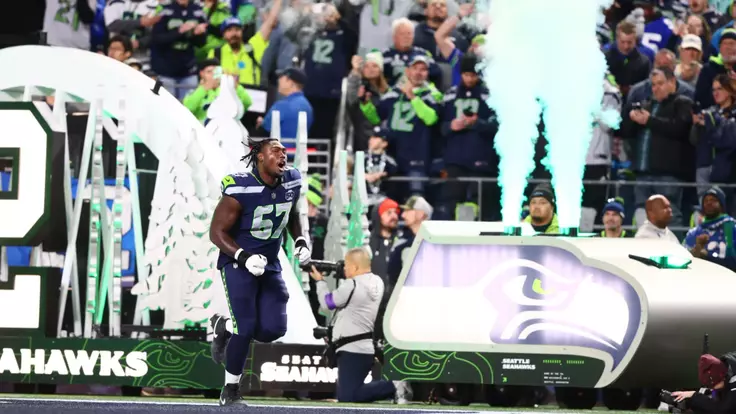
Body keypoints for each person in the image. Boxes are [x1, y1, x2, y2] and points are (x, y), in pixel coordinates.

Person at [208, 136, 312, 406]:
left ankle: (225, 327)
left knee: (273, 329)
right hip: (237, 262)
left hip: (269, 263)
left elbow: (292, 211)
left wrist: (300, 239)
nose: (282, 155)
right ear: (260, 157)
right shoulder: (240, 187)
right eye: (275, 150)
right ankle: (230, 391)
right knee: (246, 326)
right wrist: (242, 256)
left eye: (284, 151)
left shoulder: (291, 180)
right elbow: (216, 232)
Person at [309, 247, 412, 404]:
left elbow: (326, 303)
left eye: (346, 266)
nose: (344, 269)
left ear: (355, 267)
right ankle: (392, 386)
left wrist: (320, 282)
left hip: (350, 349)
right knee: (349, 394)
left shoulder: (352, 285)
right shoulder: (378, 282)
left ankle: (393, 385)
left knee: (348, 396)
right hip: (365, 348)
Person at [683, 186, 736, 269]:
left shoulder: (732, 227)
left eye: (713, 200)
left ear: (722, 205)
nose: (708, 203)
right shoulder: (694, 232)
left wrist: (708, 257)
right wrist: (697, 250)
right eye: (706, 201)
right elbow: (684, 259)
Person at [671, 353, 736, 413]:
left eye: (712, 385)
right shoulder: (724, 365)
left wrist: (694, 395)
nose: (712, 388)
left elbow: (722, 409)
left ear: (723, 378)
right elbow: (715, 394)